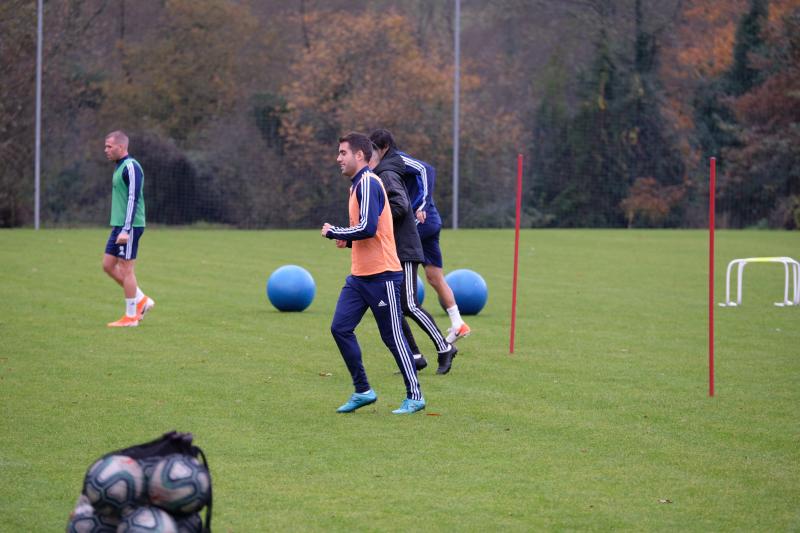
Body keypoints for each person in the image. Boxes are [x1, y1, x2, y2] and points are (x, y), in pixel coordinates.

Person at [321, 132, 425, 415]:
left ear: (359, 155)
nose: (338, 158)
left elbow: (368, 227)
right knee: (340, 328)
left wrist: (335, 232)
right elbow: (369, 230)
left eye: (343, 153)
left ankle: (415, 396)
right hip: (359, 277)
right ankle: (363, 390)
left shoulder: (368, 182)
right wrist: (348, 240)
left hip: (383, 276)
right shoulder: (355, 186)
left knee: (392, 337)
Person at [369, 130, 458, 374]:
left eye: (372, 149)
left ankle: (444, 347)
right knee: (394, 307)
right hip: (394, 245)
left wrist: (423, 203)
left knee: (409, 304)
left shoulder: (393, 164)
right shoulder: (380, 172)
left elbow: (425, 170)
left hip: (406, 245)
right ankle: (415, 357)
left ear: (383, 147)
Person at [102, 130, 154, 327]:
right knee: (108, 265)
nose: (105, 150)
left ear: (121, 147)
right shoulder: (119, 166)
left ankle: (131, 317)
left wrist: (126, 229)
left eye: (109, 146)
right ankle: (141, 299)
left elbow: (133, 198)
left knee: (126, 269)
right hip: (119, 225)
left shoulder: (131, 167)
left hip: (129, 226)